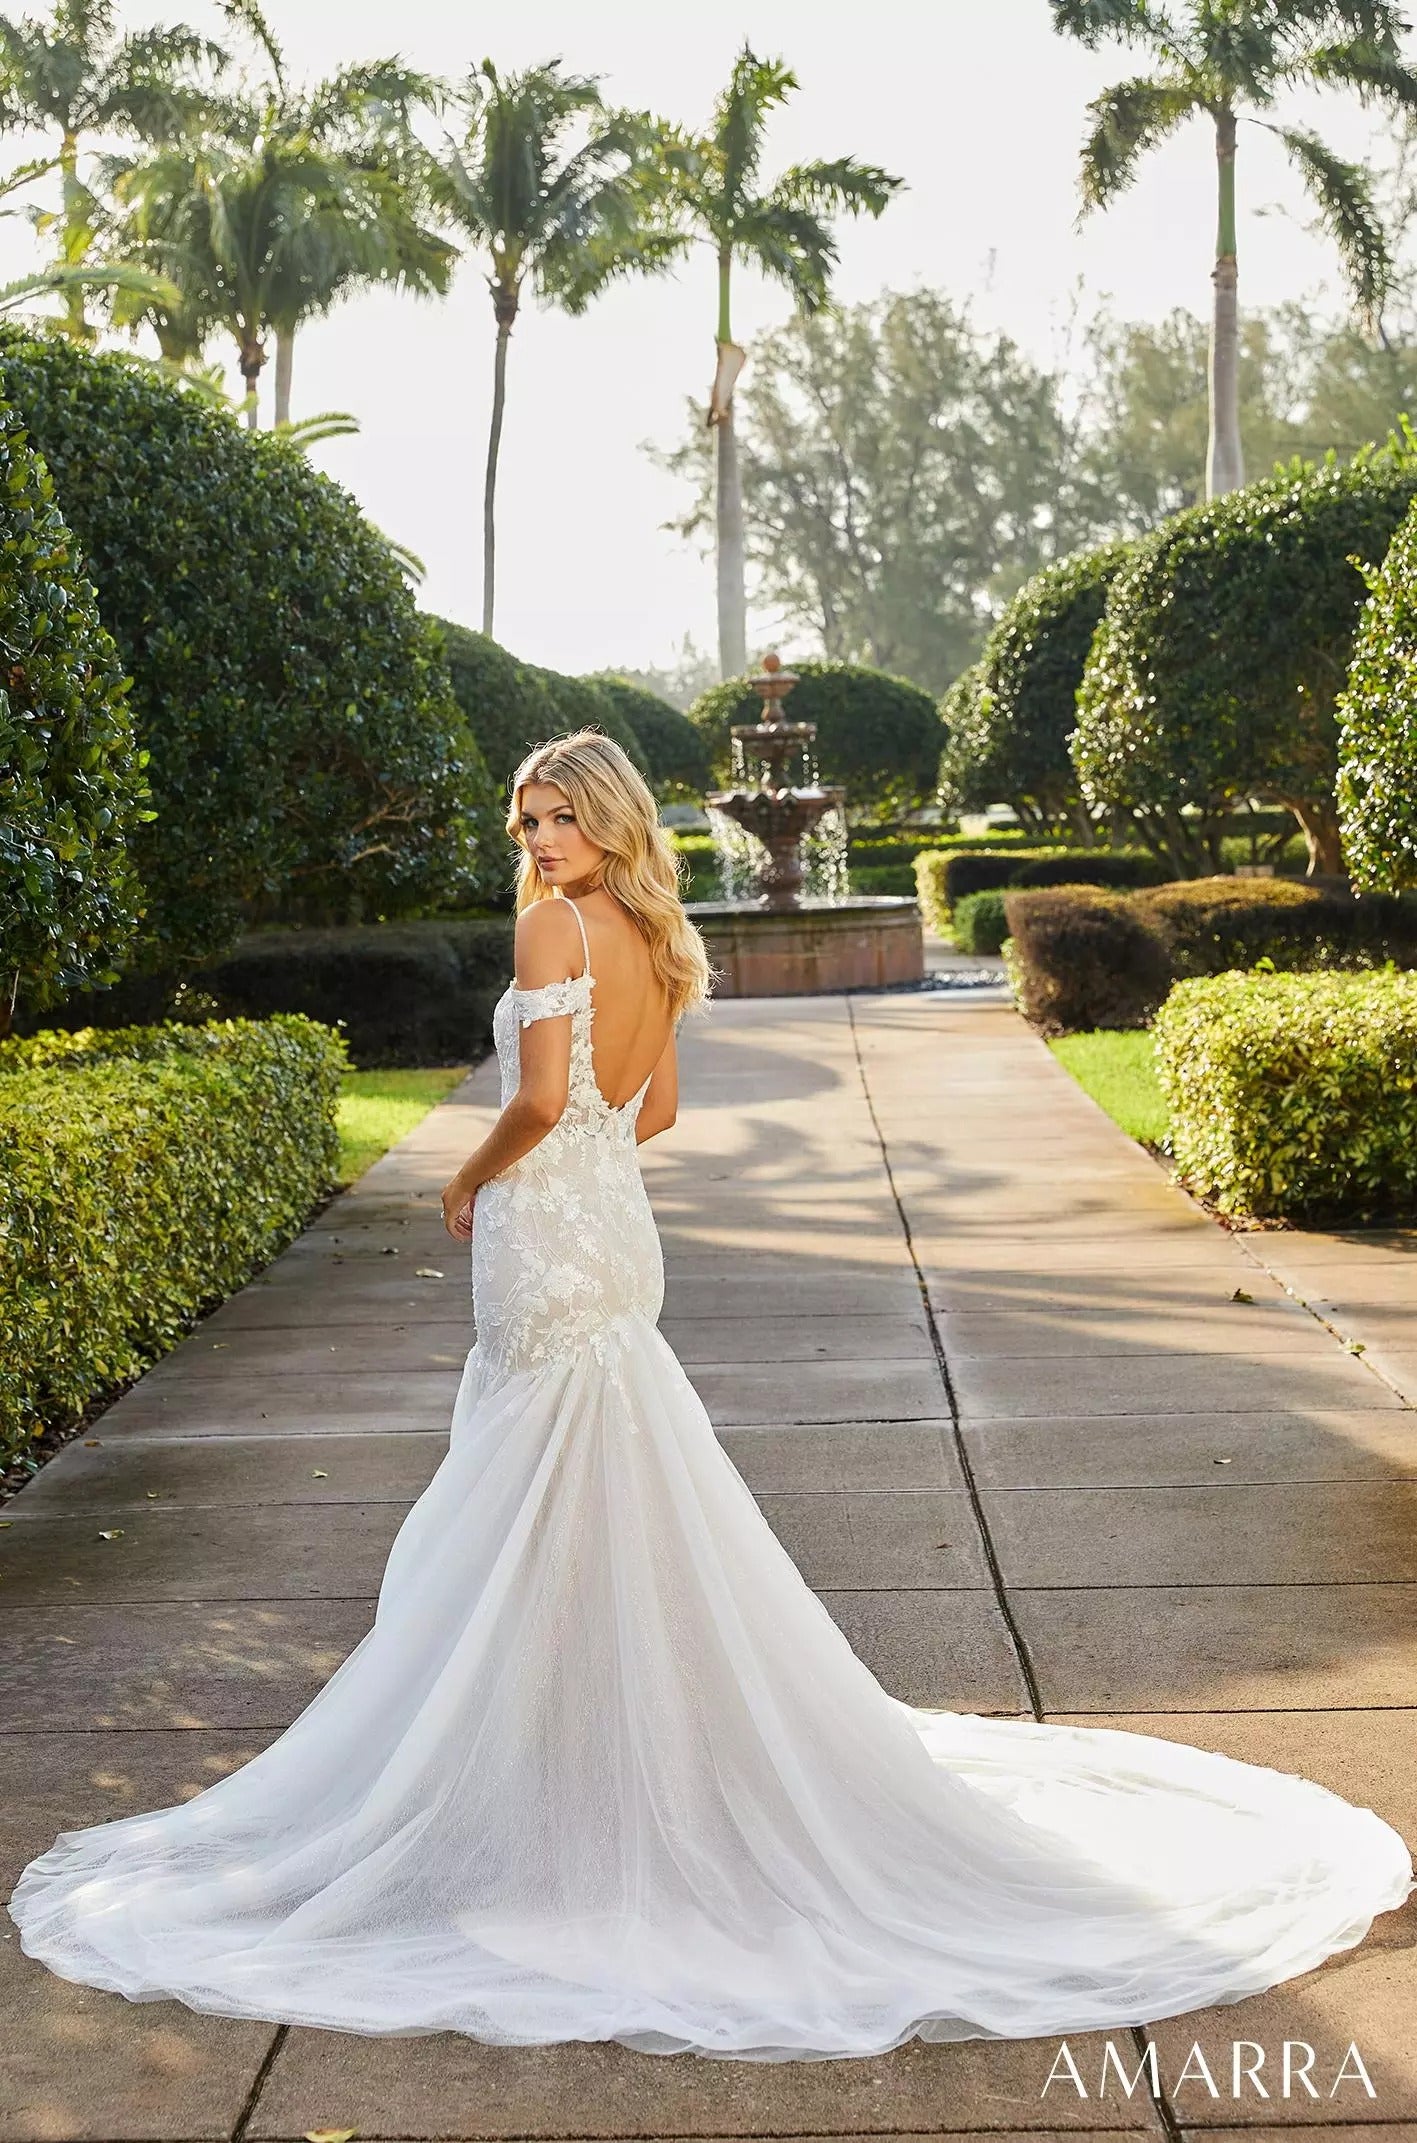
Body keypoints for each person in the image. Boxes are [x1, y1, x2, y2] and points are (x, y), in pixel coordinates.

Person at [8, 728, 1412, 2062]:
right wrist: (569, 1153)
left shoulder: (551, 928)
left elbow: (541, 1099)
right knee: (591, 1472)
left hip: (544, 1235)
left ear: (609, 819)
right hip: (611, 1231)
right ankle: (591, 1747)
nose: (542, 840)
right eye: (530, 820)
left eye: (564, 818)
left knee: (526, 1476)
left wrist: (463, 1175)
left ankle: (547, 1769)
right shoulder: (654, 935)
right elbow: (650, 1110)